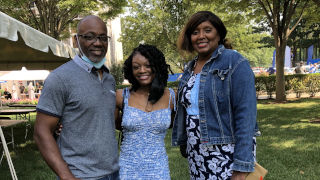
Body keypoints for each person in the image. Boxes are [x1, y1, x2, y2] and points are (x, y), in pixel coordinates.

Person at [172, 11, 258, 180]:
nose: (201, 36)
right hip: (196, 154)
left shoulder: (234, 61)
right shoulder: (190, 68)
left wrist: (241, 166)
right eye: (195, 32)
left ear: (219, 34)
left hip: (226, 153)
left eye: (207, 30)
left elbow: (246, 116)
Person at [33, 15, 119, 180]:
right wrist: (66, 176)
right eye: (89, 37)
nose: (98, 43)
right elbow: (41, 132)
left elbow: (105, 120)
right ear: (75, 41)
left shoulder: (110, 79)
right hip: (79, 175)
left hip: (114, 173)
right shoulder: (60, 78)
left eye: (102, 37)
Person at [115, 44, 175, 179]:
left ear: (157, 66)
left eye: (148, 65)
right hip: (127, 168)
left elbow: (176, 122)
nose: (142, 70)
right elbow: (111, 123)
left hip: (159, 168)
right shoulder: (120, 96)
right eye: (136, 67)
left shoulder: (172, 96)